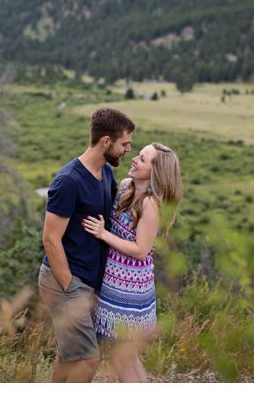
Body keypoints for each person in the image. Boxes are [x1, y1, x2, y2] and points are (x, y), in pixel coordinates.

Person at [38, 107, 135, 382]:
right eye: (124, 143)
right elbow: (50, 239)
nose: (128, 149)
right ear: (106, 141)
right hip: (65, 281)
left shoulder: (105, 174)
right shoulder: (69, 180)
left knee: (70, 355)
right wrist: (70, 287)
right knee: (88, 359)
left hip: (86, 282)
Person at [81, 142, 182, 382]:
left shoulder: (150, 204)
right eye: (138, 154)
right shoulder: (126, 187)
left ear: (155, 173)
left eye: (143, 159)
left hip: (130, 287)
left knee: (120, 358)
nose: (134, 159)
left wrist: (103, 234)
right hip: (115, 281)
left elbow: (140, 250)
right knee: (128, 357)